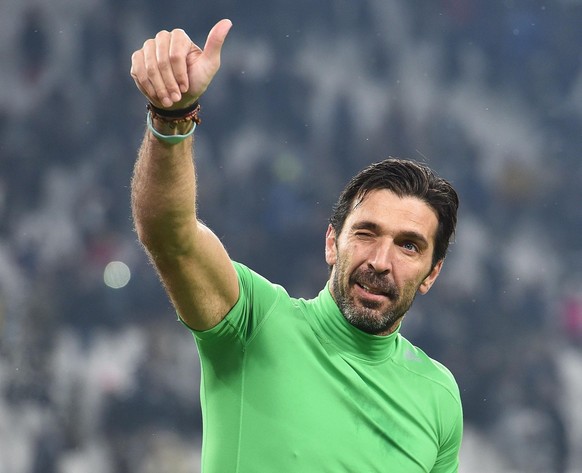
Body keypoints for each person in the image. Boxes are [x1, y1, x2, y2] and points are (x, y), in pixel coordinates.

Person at [130, 19, 463, 473]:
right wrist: (172, 118)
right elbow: (170, 235)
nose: (380, 262)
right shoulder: (254, 322)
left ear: (432, 272)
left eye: (408, 246)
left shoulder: (439, 398)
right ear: (332, 242)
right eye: (366, 233)